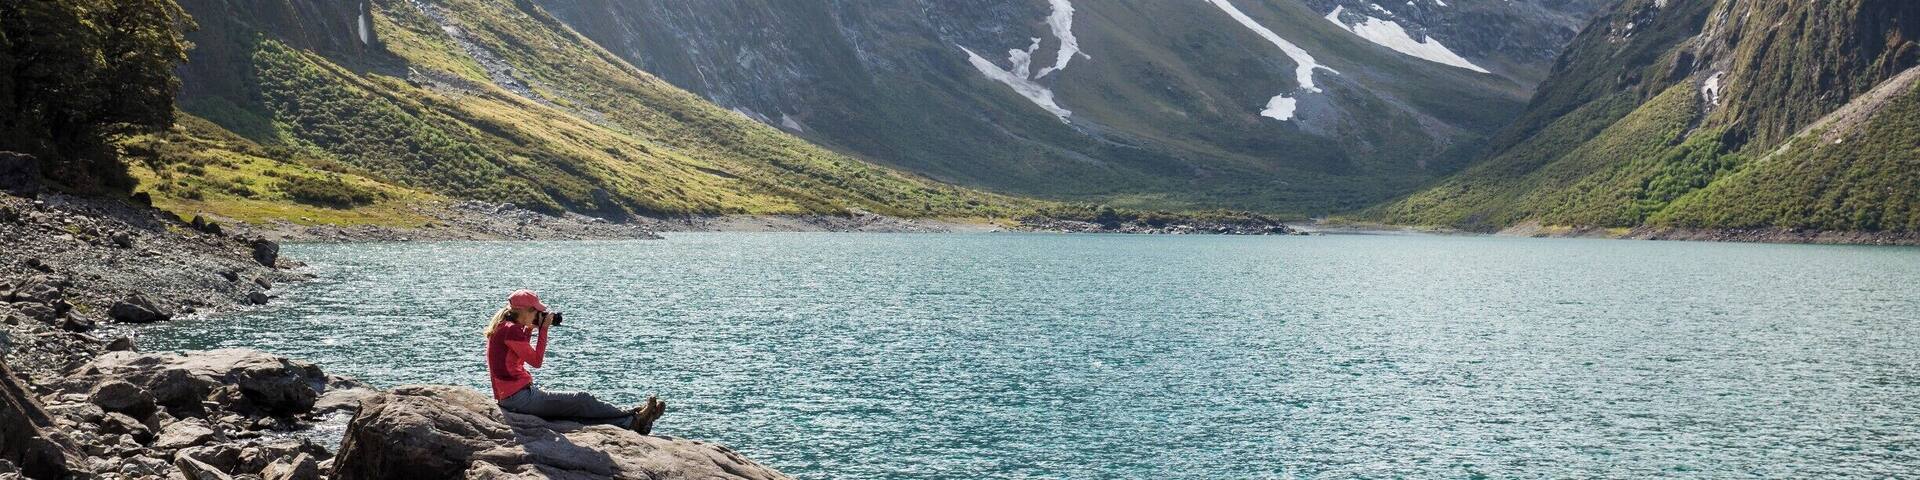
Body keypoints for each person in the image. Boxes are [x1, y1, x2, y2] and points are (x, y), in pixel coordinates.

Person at [485, 289, 665, 433]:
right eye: (537, 311)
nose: (539, 315)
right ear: (525, 311)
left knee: (575, 414)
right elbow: (536, 361)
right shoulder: (512, 330)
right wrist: (543, 330)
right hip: (518, 399)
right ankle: (632, 415)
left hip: (512, 397)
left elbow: (514, 358)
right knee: (581, 400)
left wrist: (530, 329)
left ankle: (632, 423)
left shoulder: (504, 327)